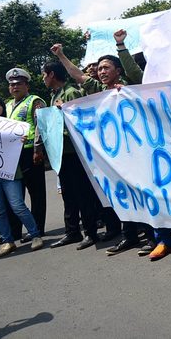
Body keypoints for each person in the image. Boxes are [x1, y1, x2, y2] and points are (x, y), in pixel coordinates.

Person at [111, 29, 171, 261]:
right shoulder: (148, 80)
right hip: (153, 148)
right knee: (157, 190)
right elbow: (132, 71)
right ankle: (163, 239)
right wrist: (121, 46)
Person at [50, 45, 128, 249]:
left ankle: (150, 233)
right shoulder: (99, 90)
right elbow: (78, 75)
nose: (101, 72)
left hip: (131, 150)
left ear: (118, 71)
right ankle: (129, 235)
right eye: (99, 68)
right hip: (108, 151)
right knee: (117, 191)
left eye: (106, 68)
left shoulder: (127, 87)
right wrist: (61, 55)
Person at [38, 60, 100, 251]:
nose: (42, 79)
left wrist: (61, 112)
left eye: (43, 74)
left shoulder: (70, 92)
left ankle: (90, 232)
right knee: (68, 194)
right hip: (61, 152)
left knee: (82, 193)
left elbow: (78, 122)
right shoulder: (53, 95)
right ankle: (72, 231)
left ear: (51, 75)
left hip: (73, 152)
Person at [0, 95, 45, 257]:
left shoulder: (13, 126)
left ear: (3, 108)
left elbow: (22, 138)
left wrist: (20, 140)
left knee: (17, 205)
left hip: (10, 172)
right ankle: (8, 241)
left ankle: (35, 235)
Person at [4, 68, 48, 239]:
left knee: (36, 193)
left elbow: (40, 126)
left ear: (26, 85)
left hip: (30, 152)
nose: (15, 87)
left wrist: (38, 149)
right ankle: (15, 231)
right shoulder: (7, 105)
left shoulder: (34, 101)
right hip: (12, 156)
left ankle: (37, 228)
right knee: (15, 195)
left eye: (19, 84)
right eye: (12, 85)